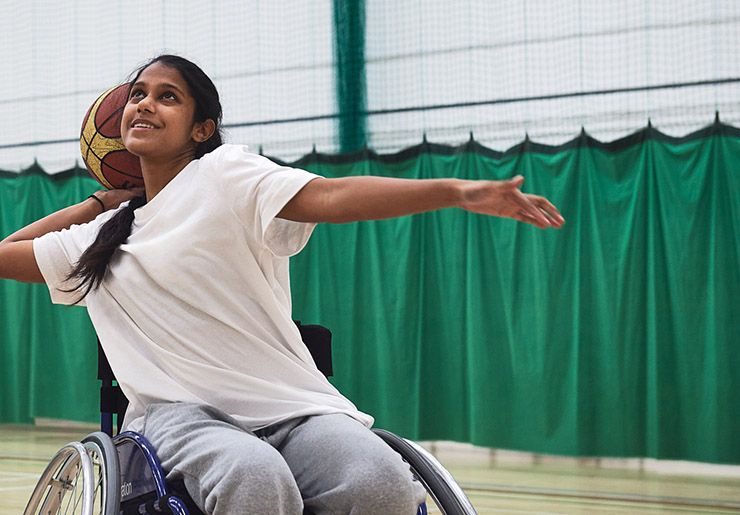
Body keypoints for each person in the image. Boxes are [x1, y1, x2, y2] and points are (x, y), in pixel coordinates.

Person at [0, 54, 564, 514]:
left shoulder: (226, 175)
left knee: (383, 482)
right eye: (139, 94)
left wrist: (455, 193)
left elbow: (332, 196)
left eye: (167, 95)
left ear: (203, 129)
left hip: (293, 407)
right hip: (180, 416)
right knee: (253, 476)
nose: (145, 102)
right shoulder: (98, 238)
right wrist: (98, 201)